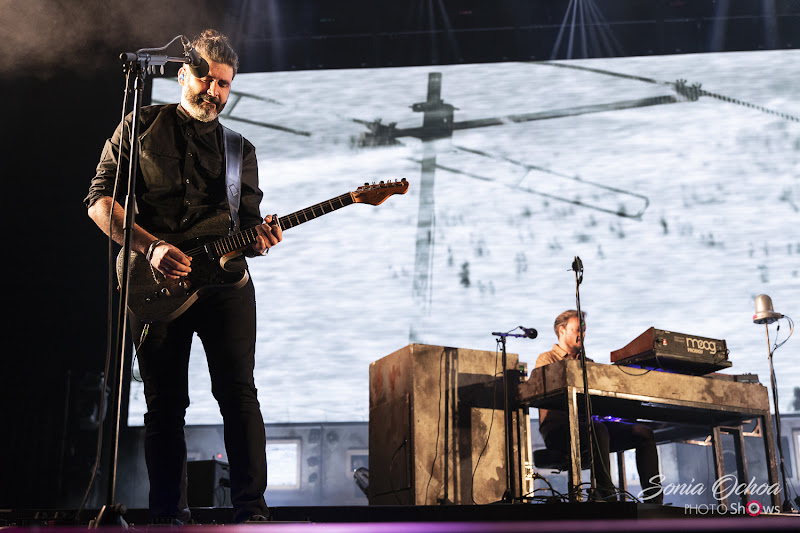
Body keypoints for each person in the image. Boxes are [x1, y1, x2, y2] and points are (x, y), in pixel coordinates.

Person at [85, 29, 281, 524]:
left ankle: (251, 509)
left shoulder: (241, 150)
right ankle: (168, 514)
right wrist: (150, 247)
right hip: (154, 288)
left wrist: (259, 241)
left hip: (225, 288)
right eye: (205, 79)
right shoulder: (140, 126)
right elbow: (99, 202)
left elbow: (249, 230)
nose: (213, 92)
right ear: (182, 74)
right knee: (164, 406)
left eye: (224, 85)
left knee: (239, 395)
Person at [535, 310, 663, 503]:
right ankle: (605, 491)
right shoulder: (546, 359)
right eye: (578, 329)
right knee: (598, 429)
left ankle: (655, 502)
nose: (583, 334)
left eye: (585, 330)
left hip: (592, 429)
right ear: (561, 330)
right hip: (559, 431)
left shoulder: (589, 363)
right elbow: (541, 393)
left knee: (644, 433)